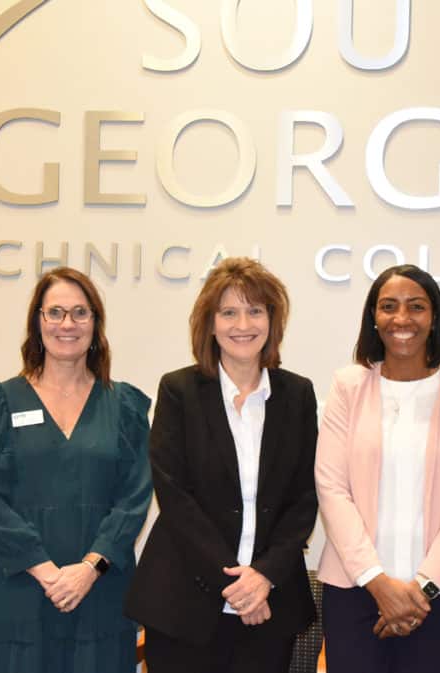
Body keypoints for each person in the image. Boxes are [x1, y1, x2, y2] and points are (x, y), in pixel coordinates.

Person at [0, 266, 152, 673]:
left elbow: (134, 497)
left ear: (96, 324)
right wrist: (47, 573)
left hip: (97, 591)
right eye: (55, 312)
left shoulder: (125, 405)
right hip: (14, 588)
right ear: (37, 321)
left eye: (80, 313)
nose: (67, 324)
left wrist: (87, 570)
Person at [125, 257, 318, 673]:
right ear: (210, 324)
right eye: (228, 312)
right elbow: (175, 495)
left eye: (255, 310)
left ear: (272, 320)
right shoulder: (179, 390)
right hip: (185, 601)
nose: (242, 324)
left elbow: (305, 498)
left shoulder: (297, 394)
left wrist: (263, 577)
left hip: (270, 602)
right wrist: (236, 585)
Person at [314, 264, 440, 673]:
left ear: (434, 319)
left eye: (416, 307)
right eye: (388, 307)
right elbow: (331, 487)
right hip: (354, 589)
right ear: (373, 319)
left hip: (439, 596)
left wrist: (424, 587)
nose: (402, 319)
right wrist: (376, 581)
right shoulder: (348, 386)